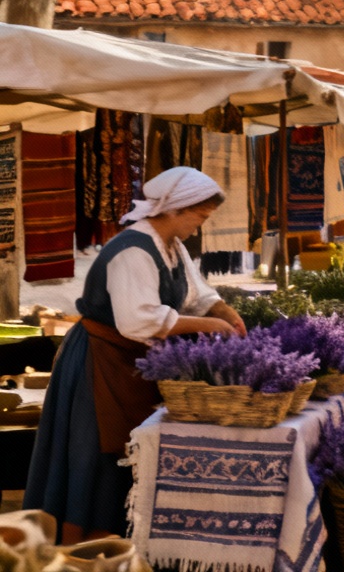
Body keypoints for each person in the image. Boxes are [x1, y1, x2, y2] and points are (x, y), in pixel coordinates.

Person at [26, 167, 247, 543]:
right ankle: (81, 548)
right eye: (199, 216)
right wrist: (208, 325)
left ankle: (120, 543)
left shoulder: (171, 246)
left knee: (125, 451)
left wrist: (223, 311)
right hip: (99, 361)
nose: (199, 227)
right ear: (175, 209)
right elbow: (138, 320)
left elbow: (196, 293)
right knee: (94, 453)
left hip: (131, 364)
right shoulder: (132, 251)